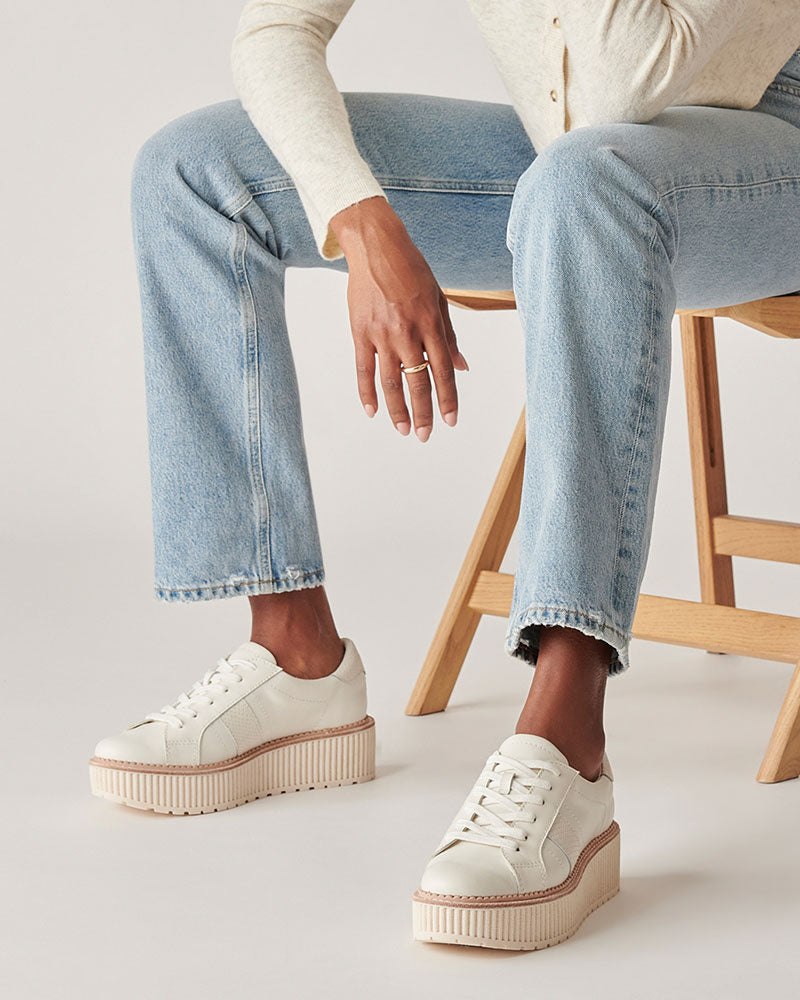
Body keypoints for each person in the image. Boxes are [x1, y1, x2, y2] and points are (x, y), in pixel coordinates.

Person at [89, 1, 800, 951]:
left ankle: (568, 738)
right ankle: (295, 653)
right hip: (576, 149)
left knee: (586, 182)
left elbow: (622, 74)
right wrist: (358, 218)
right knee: (194, 170)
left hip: (766, 148)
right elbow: (274, 30)